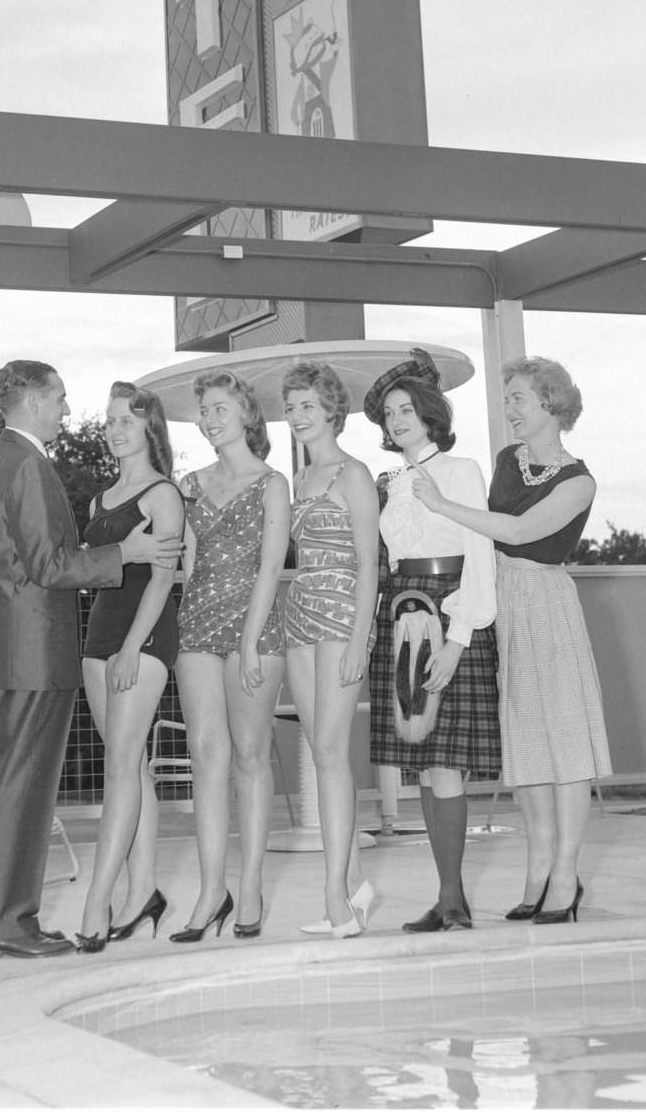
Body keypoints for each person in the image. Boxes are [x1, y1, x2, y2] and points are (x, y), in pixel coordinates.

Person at [0, 359, 179, 960]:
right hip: (33, 653)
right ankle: (9, 925)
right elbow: (50, 566)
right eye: (59, 398)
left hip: (12, 649)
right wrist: (125, 550)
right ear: (32, 401)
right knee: (23, 790)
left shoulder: (0, 462)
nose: (66, 409)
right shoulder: (29, 466)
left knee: (4, 786)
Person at [410, 354, 609, 925]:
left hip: (545, 602)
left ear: (551, 403)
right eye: (507, 401)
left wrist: (444, 504)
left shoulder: (579, 481)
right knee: (525, 740)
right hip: (503, 602)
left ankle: (566, 875)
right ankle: (538, 866)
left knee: (565, 738)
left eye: (519, 398)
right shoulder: (506, 461)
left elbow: (520, 532)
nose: (510, 410)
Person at [364, 349, 500, 933]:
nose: (397, 420)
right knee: (421, 765)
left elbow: (480, 554)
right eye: (389, 413)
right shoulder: (388, 482)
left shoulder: (462, 470)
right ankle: (447, 898)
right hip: (402, 613)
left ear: (429, 414)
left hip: (450, 615)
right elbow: (390, 559)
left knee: (446, 766)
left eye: (406, 410)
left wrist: (458, 639)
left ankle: (453, 899)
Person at [171, 370, 290, 943]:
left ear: (246, 414)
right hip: (197, 627)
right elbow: (189, 563)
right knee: (204, 755)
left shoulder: (272, 484)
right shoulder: (190, 484)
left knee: (250, 755)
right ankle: (210, 889)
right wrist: (186, 623)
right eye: (204, 410)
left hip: (255, 630)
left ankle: (249, 887)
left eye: (220, 408)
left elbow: (272, 565)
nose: (210, 418)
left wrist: (247, 639)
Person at [74, 383, 185, 953]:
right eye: (110, 421)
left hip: (140, 640)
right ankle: (144, 892)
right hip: (98, 639)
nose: (115, 430)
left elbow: (164, 579)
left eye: (126, 421)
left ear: (149, 429)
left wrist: (130, 649)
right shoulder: (99, 501)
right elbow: (95, 571)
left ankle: (99, 900)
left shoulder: (163, 494)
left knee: (119, 768)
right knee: (132, 767)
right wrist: (107, 648)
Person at [279, 359, 380, 938]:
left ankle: (335, 896)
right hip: (301, 613)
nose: (297, 416)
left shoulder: (353, 474)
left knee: (332, 750)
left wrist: (361, 637)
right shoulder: (301, 479)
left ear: (331, 411)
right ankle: (358, 884)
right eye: (290, 407)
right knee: (319, 754)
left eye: (307, 406)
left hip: (342, 611)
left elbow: (370, 564)